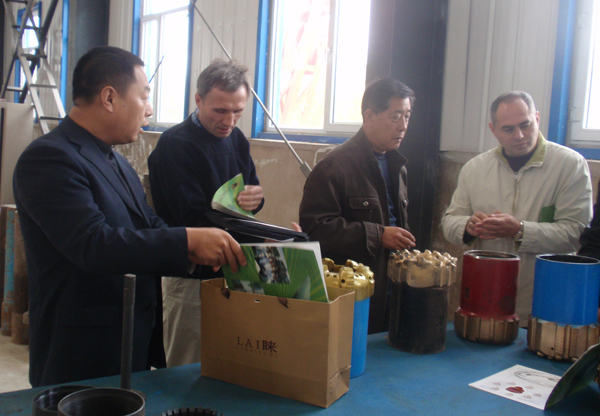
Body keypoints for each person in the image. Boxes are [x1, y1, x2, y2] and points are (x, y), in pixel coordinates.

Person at [13, 46, 246, 388]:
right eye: (144, 97)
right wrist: (187, 240)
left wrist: (193, 251)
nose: (149, 110)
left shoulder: (116, 161)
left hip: (129, 342)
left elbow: (147, 224)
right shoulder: (50, 158)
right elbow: (92, 243)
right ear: (109, 98)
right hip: (80, 352)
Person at [148, 59, 263, 367]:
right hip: (190, 274)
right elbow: (190, 216)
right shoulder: (175, 145)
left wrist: (255, 199)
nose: (229, 121)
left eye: (238, 111)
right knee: (187, 365)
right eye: (220, 110)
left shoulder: (236, 139)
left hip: (234, 269)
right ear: (199, 100)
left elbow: (250, 188)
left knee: (230, 363)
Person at [442, 91, 592, 322]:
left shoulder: (569, 165)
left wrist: (521, 230)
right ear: (493, 130)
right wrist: (468, 226)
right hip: (487, 293)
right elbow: (449, 222)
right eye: (508, 129)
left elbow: (577, 233)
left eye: (525, 125)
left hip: (546, 295)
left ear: (537, 118)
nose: (519, 135)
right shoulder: (475, 168)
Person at [299, 78, 417, 334]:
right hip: (352, 293)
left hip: (390, 286)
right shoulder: (334, 167)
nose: (403, 126)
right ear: (369, 116)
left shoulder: (398, 166)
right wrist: (377, 235)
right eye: (396, 116)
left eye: (407, 116)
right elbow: (316, 229)